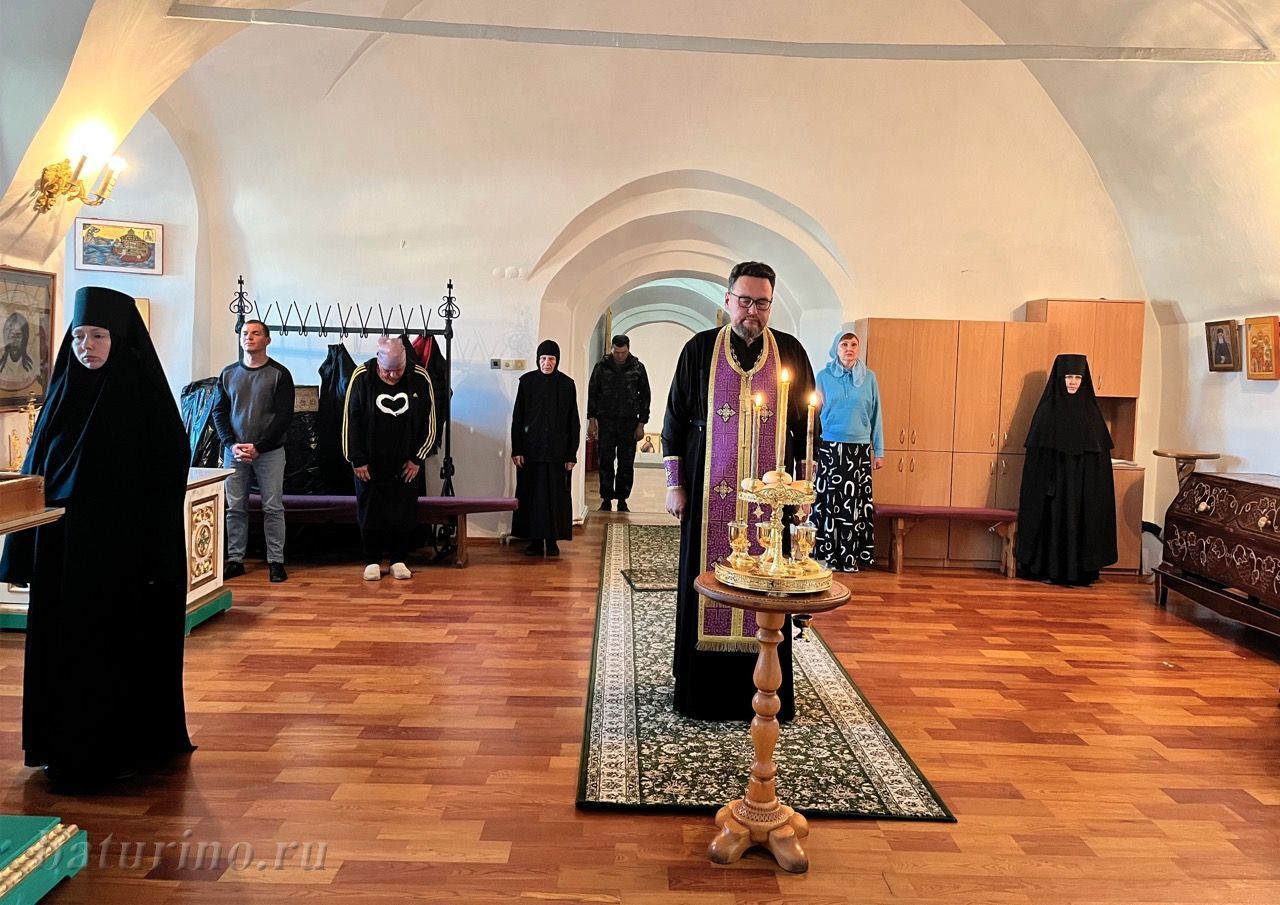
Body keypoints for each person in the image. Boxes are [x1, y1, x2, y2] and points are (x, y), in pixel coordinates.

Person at [0, 286, 194, 786]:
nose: (87, 346)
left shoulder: (144, 402)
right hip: (62, 557)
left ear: (121, 339)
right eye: (80, 336)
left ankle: (117, 751)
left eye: (99, 336)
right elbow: (35, 473)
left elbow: (165, 475)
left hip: (120, 559)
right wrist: (22, 551)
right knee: (63, 654)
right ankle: (59, 746)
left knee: (112, 652)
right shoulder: (61, 396)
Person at [662, 261, 816, 721]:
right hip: (708, 493)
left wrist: (804, 491)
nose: (753, 311)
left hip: (773, 502)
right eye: (745, 300)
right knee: (704, 586)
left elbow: (808, 429)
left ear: (771, 304)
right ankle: (701, 693)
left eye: (762, 303)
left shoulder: (789, 352)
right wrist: (675, 484)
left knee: (770, 587)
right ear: (728, 300)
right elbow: (673, 421)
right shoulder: (699, 350)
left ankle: (765, 686)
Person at [1015, 353, 1116, 586]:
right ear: (1060, 378)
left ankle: (1080, 572)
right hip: (1052, 491)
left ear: (1084, 380)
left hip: (1081, 492)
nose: (1073, 382)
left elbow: (1099, 464)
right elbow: (1036, 463)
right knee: (1052, 525)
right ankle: (1047, 569)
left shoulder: (1092, 416)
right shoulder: (1046, 414)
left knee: (1080, 526)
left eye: (1077, 378)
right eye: (1068, 377)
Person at [343, 336, 437, 581]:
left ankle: (399, 559)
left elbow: (430, 420)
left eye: (398, 370)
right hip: (369, 460)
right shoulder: (362, 376)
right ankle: (371, 560)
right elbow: (350, 419)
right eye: (387, 371)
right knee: (369, 508)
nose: (393, 376)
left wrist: (418, 458)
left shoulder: (419, 376)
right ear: (378, 361)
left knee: (403, 510)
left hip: (406, 461)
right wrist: (356, 458)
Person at [211, 319, 295, 583]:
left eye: (256, 333)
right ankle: (235, 560)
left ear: (267, 340)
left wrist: (259, 447)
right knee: (235, 507)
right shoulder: (227, 374)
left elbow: (284, 416)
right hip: (235, 452)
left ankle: (276, 562)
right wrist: (231, 444)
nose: (249, 337)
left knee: (273, 507)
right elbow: (219, 412)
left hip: (270, 453)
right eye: (245, 333)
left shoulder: (280, 374)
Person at [812, 326, 884, 572]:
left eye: (853, 345)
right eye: (844, 345)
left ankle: (851, 557)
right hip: (831, 447)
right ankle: (828, 556)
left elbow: (876, 415)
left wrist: (879, 451)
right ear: (836, 348)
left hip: (859, 449)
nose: (849, 349)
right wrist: (811, 452)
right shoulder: (823, 376)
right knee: (830, 502)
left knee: (854, 504)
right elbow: (814, 415)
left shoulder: (869, 378)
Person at [511, 340, 580, 557]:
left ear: (557, 361)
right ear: (537, 360)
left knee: (555, 498)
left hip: (558, 453)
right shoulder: (527, 382)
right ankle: (533, 540)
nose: (546, 363)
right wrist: (517, 449)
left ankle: (552, 541)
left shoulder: (567, 385)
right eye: (543, 358)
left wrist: (571, 454)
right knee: (532, 496)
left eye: (551, 359)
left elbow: (573, 421)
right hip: (531, 451)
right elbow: (518, 418)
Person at [587, 334, 650, 512]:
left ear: (628, 349)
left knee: (626, 463)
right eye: (616, 352)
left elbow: (645, 397)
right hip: (606, 421)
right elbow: (592, 393)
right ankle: (606, 499)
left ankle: (622, 499)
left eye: (623, 352)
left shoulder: (638, 368)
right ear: (612, 349)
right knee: (605, 461)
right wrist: (592, 421)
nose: (620, 356)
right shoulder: (601, 367)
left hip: (629, 423)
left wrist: (641, 424)